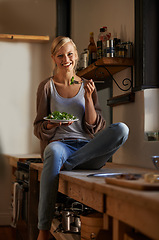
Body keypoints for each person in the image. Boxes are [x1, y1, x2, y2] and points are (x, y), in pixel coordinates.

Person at [34, 36, 129, 240]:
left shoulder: (87, 85)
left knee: (121, 129)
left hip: (88, 150)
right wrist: (51, 123)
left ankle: (67, 165)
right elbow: (38, 127)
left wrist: (87, 98)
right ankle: (43, 230)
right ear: (53, 58)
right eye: (60, 55)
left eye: (69, 54)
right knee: (52, 150)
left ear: (76, 55)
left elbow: (94, 126)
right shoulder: (46, 87)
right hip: (60, 146)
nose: (65, 59)